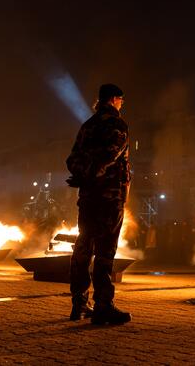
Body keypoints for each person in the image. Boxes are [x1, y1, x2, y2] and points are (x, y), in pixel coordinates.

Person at [67, 84, 131, 325]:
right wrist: (95, 174)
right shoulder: (116, 124)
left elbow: (72, 158)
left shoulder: (87, 126)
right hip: (110, 196)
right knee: (105, 250)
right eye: (121, 101)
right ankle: (104, 305)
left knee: (83, 247)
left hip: (88, 197)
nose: (122, 105)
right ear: (115, 99)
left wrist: (84, 176)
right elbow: (111, 155)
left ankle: (79, 304)